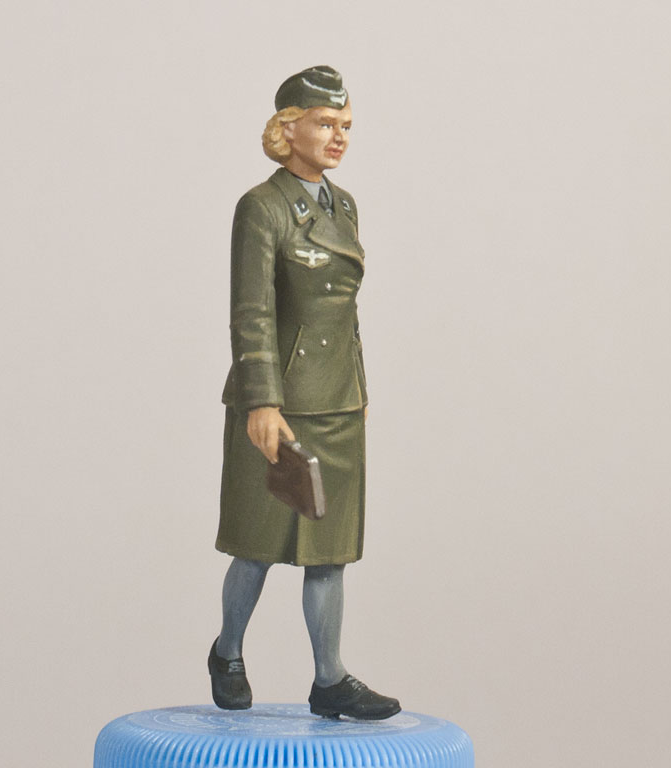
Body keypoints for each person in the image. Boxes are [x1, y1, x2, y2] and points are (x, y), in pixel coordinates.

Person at [209, 66, 400, 720]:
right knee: (258, 546)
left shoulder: (343, 206)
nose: (338, 136)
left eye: (345, 125)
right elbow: (251, 311)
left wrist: (359, 387)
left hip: (336, 400)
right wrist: (262, 401)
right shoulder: (261, 208)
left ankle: (330, 679)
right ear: (287, 129)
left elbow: (345, 311)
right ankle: (228, 653)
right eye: (324, 123)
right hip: (282, 405)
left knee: (330, 553)